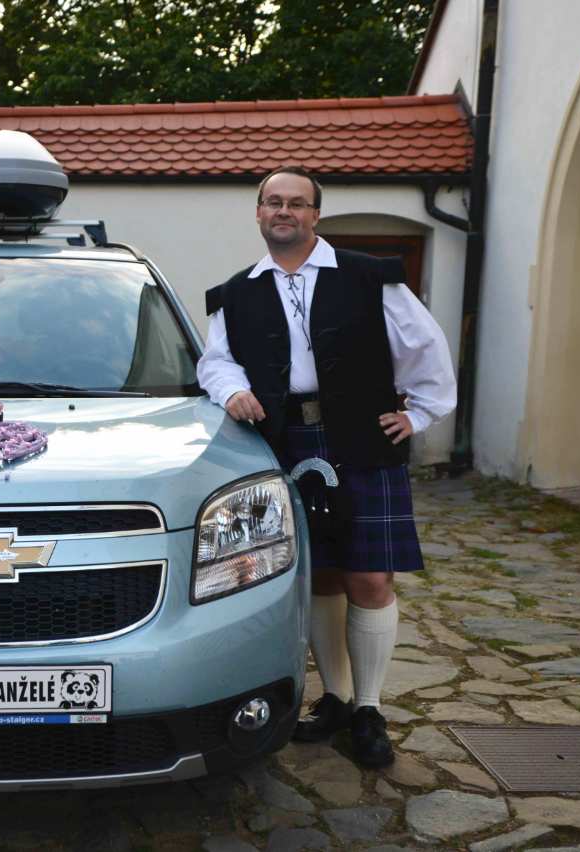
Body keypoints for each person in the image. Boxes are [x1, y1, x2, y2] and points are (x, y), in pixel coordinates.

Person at [197, 166, 456, 768]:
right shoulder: (235, 293)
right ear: (258, 213)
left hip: (362, 437)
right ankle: (336, 699)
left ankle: (368, 708)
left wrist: (420, 414)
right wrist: (233, 390)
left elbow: (424, 345)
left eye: (297, 203)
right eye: (273, 202)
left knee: (370, 578)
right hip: (283, 440)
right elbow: (216, 361)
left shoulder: (369, 276)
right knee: (319, 576)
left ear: (316, 214)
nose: (284, 211)